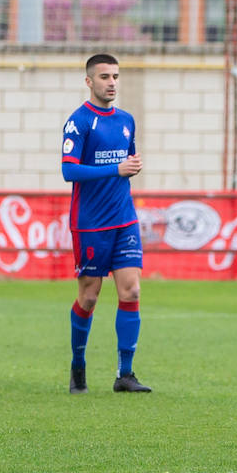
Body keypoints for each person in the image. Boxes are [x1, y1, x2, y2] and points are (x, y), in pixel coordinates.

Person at [62, 53, 150, 393]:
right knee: (89, 297)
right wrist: (116, 169)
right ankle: (78, 365)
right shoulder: (79, 122)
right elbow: (69, 170)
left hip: (123, 219)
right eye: (104, 77)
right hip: (90, 224)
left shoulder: (126, 120)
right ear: (89, 82)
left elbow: (126, 161)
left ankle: (124, 374)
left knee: (131, 289)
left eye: (115, 76)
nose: (111, 82)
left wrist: (130, 165)